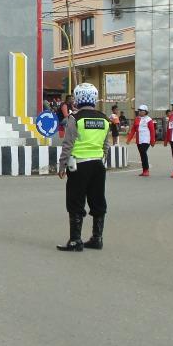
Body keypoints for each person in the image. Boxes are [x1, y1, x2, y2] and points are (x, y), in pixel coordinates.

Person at [57, 83, 108, 252]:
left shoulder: (75, 118)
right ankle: (97, 238)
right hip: (98, 165)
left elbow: (68, 143)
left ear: (77, 99)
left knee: (75, 201)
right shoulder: (104, 118)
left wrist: (62, 164)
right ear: (94, 98)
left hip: (79, 165)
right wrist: (102, 160)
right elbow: (105, 145)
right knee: (98, 200)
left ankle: (75, 241)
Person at [126, 103, 155, 177]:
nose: (139, 112)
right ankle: (144, 170)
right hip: (139, 140)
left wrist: (152, 141)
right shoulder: (137, 119)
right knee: (142, 154)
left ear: (145, 111)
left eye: (141, 111)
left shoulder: (149, 120)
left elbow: (152, 131)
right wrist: (129, 139)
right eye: (139, 111)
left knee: (143, 152)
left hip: (146, 140)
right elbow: (133, 130)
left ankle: (146, 170)